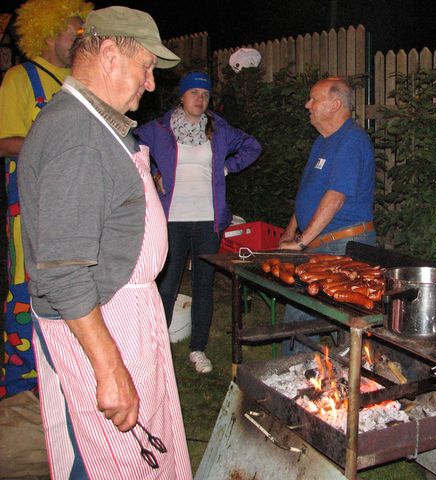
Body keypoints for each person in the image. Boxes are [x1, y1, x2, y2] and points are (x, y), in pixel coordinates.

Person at [17, 6, 192, 477]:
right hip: (99, 323)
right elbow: (63, 272)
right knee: (108, 462)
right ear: (110, 54)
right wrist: (109, 368)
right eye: (146, 67)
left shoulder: (97, 124)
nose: (151, 84)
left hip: (122, 315)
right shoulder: (77, 134)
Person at [135, 71, 261, 374]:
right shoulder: (160, 128)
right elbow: (131, 142)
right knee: (167, 285)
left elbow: (252, 146)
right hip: (172, 220)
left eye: (205, 95)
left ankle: (198, 349)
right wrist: (152, 172)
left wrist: (227, 167)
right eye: (194, 93)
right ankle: (157, 349)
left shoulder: (218, 128)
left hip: (208, 221)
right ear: (182, 96)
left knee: (204, 286)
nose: (200, 99)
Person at [0, 0, 92, 401]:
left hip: (78, 204)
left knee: (74, 287)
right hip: (32, 209)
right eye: (75, 32)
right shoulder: (20, 79)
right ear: (49, 33)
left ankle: (66, 379)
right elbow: (3, 140)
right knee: (28, 286)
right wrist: (53, 142)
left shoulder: (82, 81)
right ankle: (22, 389)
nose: (81, 40)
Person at [279, 77, 377, 353]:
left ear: (335, 105)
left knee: (301, 317)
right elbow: (310, 192)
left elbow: (335, 198)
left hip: (343, 246)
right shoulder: (322, 141)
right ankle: (325, 370)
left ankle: (300, 374)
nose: (307, 104)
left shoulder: (351, 140)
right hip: (323, 242)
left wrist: (301, 243)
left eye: (314, 99)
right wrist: (290, 231)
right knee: (324, 322)